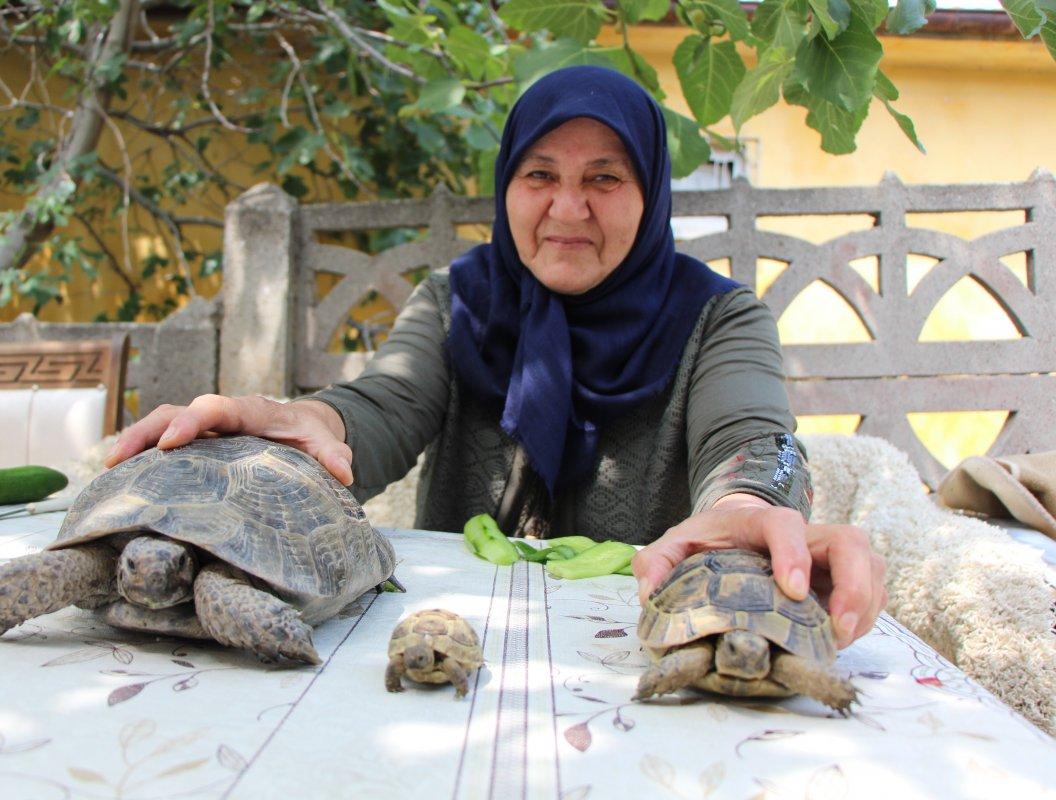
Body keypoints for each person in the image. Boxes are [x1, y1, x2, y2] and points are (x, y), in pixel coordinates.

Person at [105, 65, 886, 650]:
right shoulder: (457, 302)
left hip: (638, 651)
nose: (567, 209)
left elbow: (752, 437)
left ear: (650, 194)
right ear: (505, 184)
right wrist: (296, 420)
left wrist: (747, 510)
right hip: (448, 646)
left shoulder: (720, 319)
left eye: (604, 179)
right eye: (539, 175)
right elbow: (382, 405)